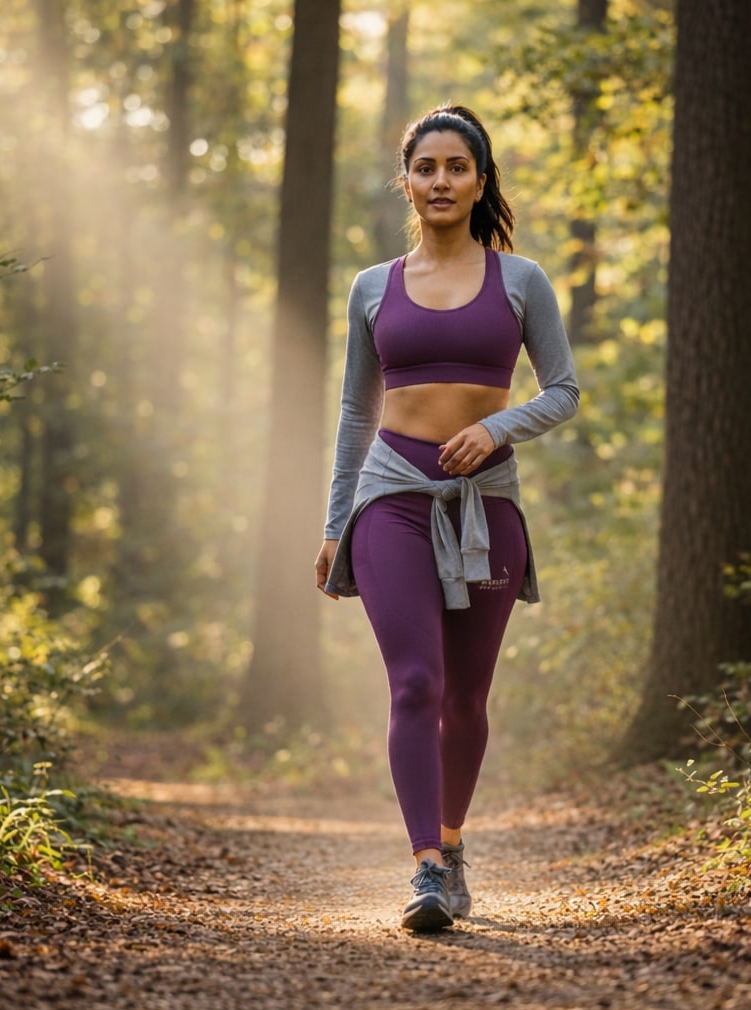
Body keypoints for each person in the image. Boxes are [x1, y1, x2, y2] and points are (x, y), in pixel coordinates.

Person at [314, 104, 579, 932]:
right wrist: (334, 525)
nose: (440, 181)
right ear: (407, 179)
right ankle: (426, 867)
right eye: (425, 167)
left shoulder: (522, 280)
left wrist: (497, 428)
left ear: (480, 180)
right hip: (390, 496)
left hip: (486, 503)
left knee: (465, 697)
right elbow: (356, 415)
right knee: (416, 684)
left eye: (456, 167)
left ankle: (454, 844)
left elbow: (564, 391)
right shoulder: (372, 287)